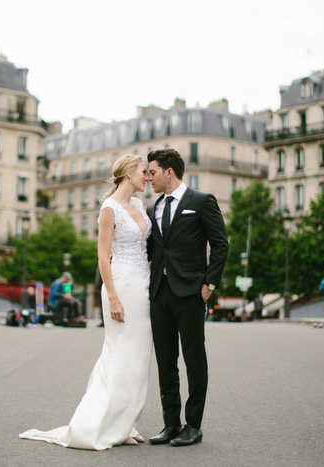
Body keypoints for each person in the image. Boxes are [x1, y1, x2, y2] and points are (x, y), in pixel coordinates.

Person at [19, 154, 152, 449]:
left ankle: (125, 422)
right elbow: (102, 256)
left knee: (139, 358)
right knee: (119, 354)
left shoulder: (140, 205)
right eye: (144, 171)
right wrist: (113, 297)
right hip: (121, 285)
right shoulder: (109, 209)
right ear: (129, 173)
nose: (148, 177)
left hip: (142, 285)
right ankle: (103, 423)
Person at [146, 149, 229, 447]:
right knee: (165, 361)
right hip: (159, 294)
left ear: (169, 171)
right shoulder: (152, 208)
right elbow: (153, 251)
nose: (148, 177)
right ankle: (171, 424)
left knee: (194, 359)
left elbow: (220, 244)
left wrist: (210, 282)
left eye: (152, 172)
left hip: (191, 292)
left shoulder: (202, 201)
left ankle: (193, 425)